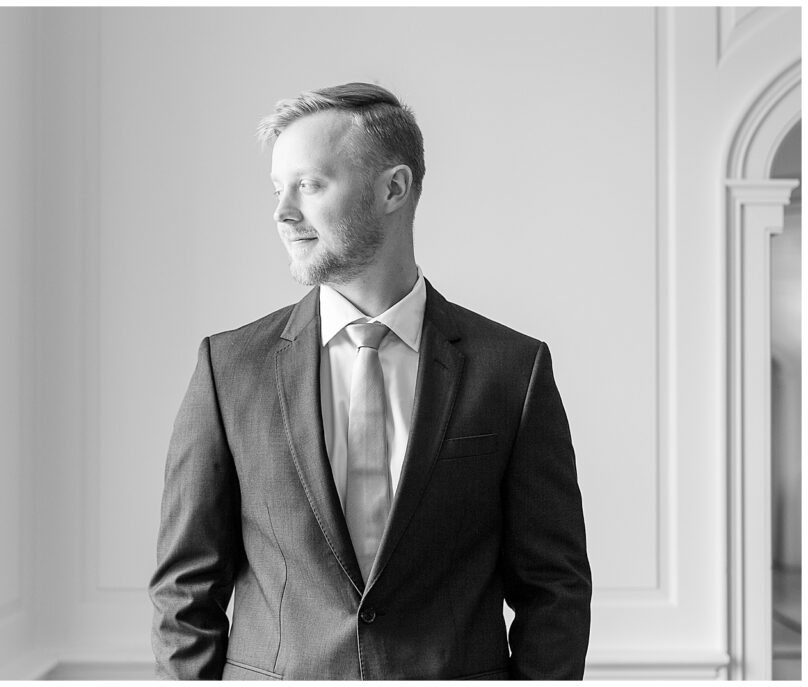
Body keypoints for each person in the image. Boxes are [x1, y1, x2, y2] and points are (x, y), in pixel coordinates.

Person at [149, 82, 591, 680]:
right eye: (278, 189)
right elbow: (184, 593)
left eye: (309, 185)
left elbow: (554, 591)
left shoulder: (512, 371)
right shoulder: (228, 369)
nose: (282, 212)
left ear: (393, 188)